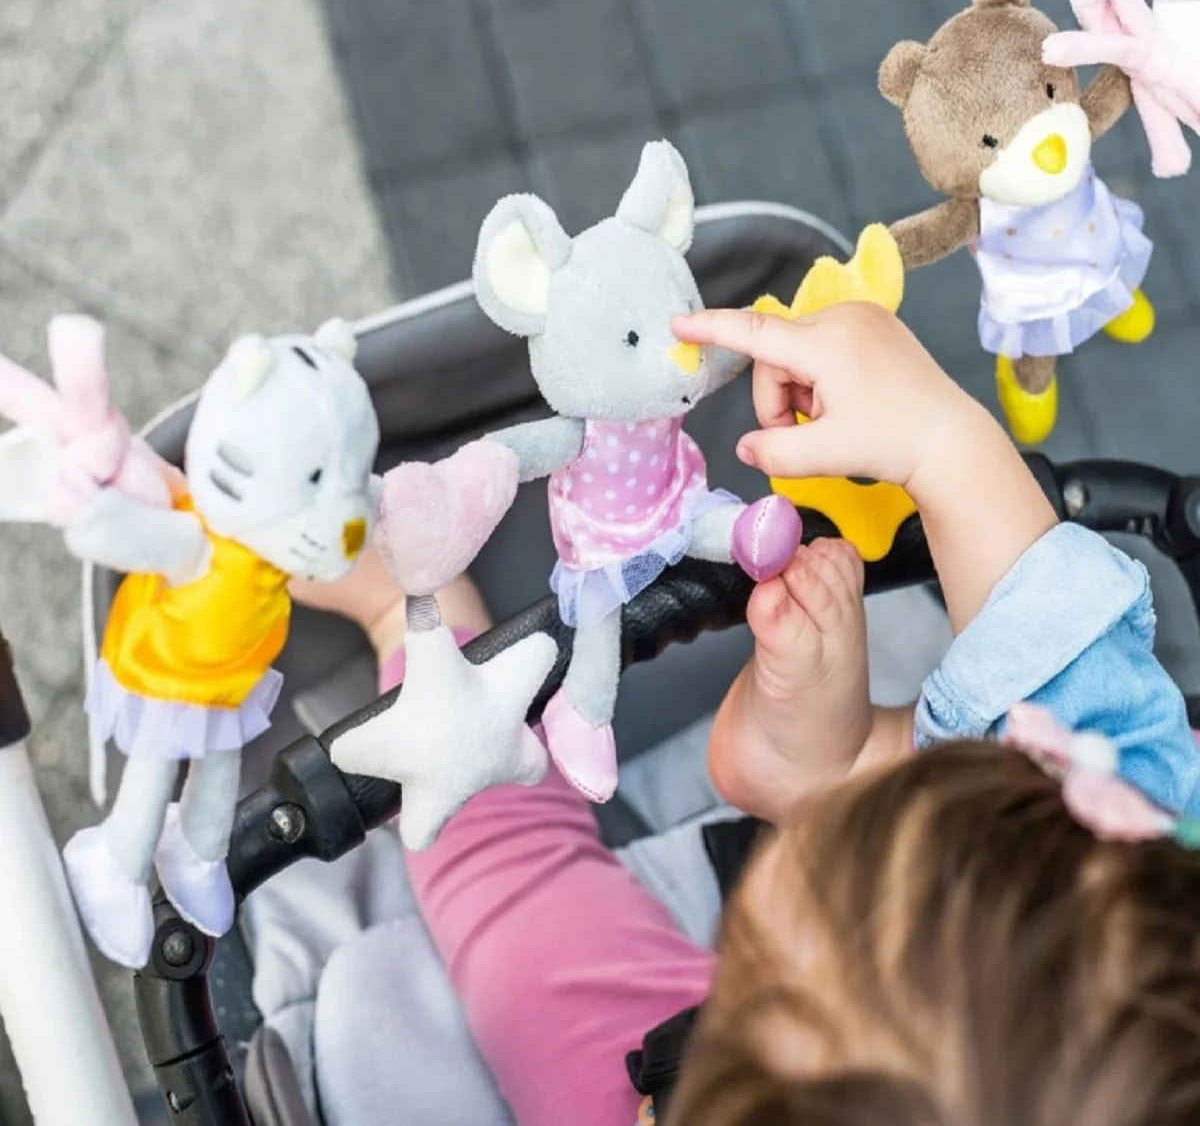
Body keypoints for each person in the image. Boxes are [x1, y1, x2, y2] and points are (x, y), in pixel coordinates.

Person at [293, 299, 1200, 1125]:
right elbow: (1089, 726)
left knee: (531, 939)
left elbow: (526, 916)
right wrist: (939, 443)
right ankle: (845, 766)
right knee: (1077, 783)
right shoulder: (1149, 937)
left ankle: (410, 609)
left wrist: (405, 613)